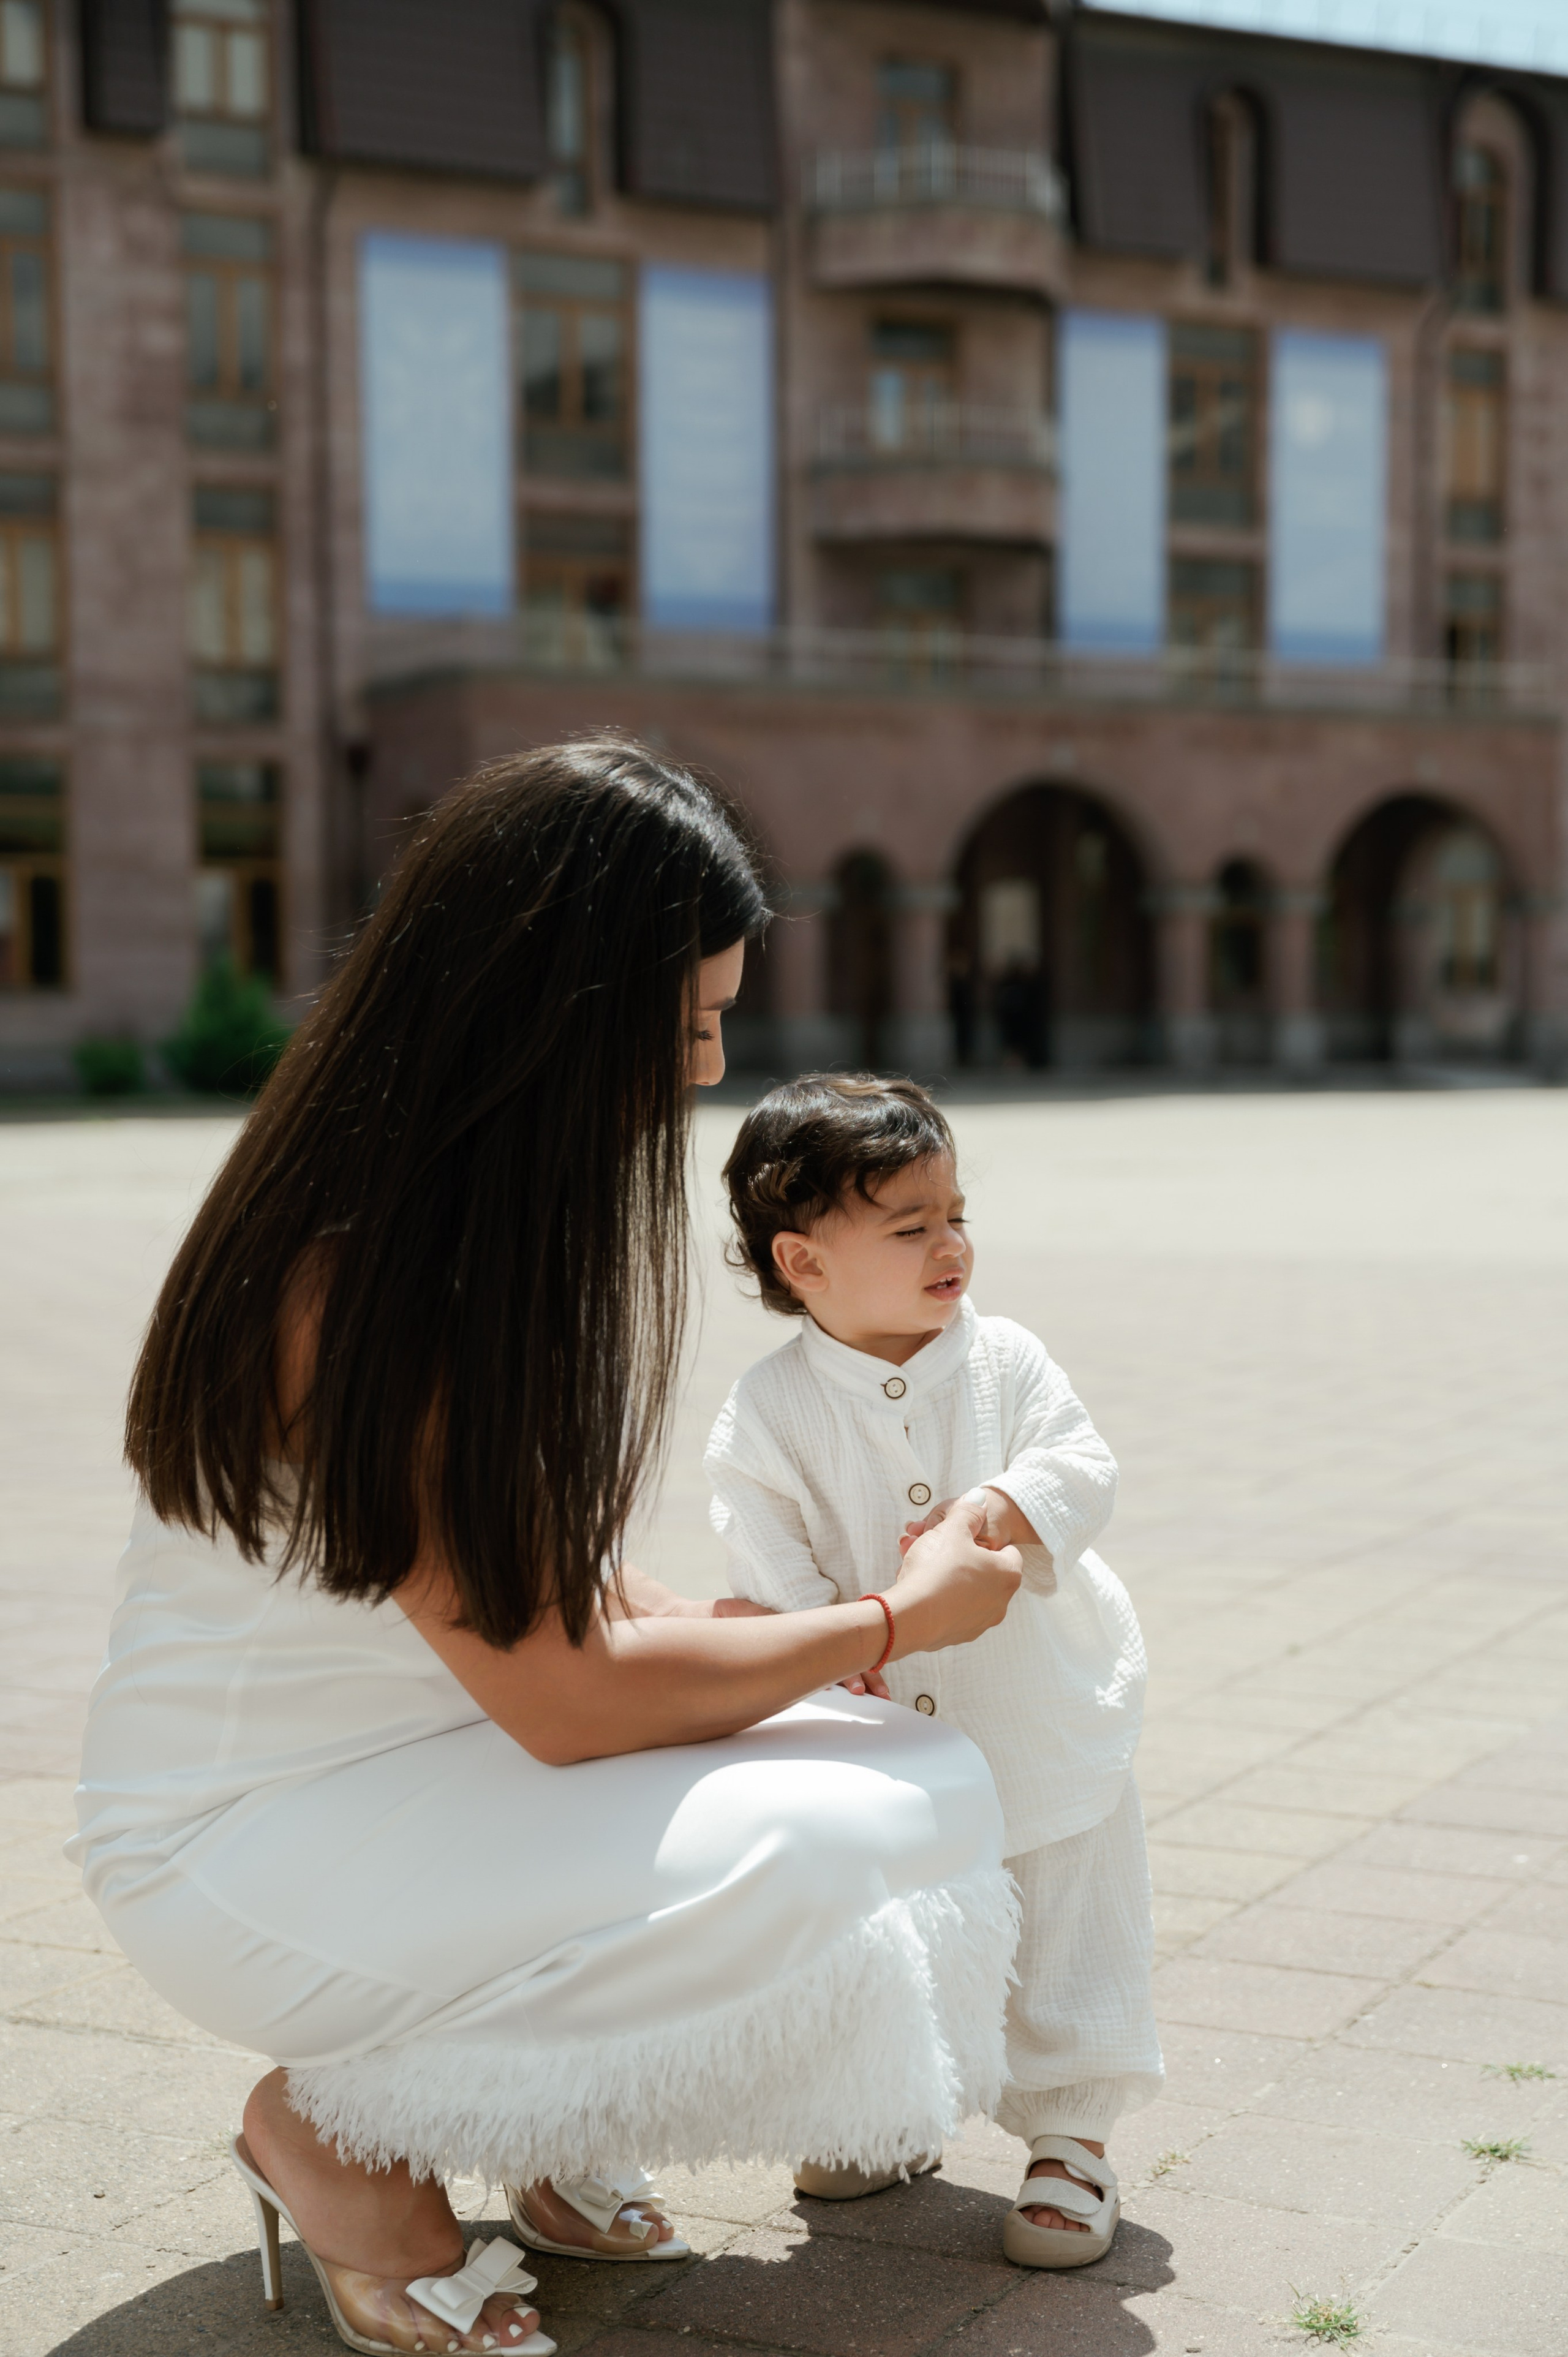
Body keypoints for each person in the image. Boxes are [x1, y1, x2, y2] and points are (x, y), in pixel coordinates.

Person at [68, 742, 1024, 2357]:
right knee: (834, 1822)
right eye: (689, 1022)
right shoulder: (370, 1272)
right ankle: (339, 2136)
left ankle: (534, 2113)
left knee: (900, 1773)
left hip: (416, 1766)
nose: (711, 1067)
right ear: (550, 1014)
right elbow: (569, 1698)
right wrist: (884, 1619)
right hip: (245, 1848)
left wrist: (748, 1641)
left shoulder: (436, 1217)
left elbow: (533, 1596)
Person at [705, 1073, 1161, 2269]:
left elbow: (1083, 1458)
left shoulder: (1001, 1358)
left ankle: (1068, 2131)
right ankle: (887, 2111)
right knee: (890, 1925)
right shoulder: (769, 1411)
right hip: (881, 1734)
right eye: (908, 1225)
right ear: (801, 1262)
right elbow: (767, 1554)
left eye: (956, 1212)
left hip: (1036, 1712)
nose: (948, 1242)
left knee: (1064, 1911)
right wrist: (827, 1640)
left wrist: (1010, 1500)